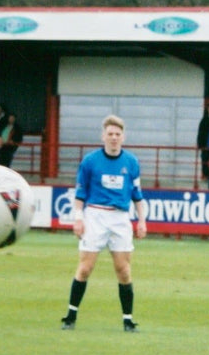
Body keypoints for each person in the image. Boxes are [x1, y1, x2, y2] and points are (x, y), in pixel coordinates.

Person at [61, 115, 147, 331]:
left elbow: (138, 195)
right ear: (103, 136)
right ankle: (70, 316)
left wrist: (142, 220)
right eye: (110, 134)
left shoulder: (131, 162)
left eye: (118, 134)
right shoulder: (90, 162)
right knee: (85, 268)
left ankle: (128, 320)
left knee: (124, 270)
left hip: (120, 218)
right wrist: (78, 219)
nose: (114, 138)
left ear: (123, 137)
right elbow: (80, 194)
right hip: (95, 216)